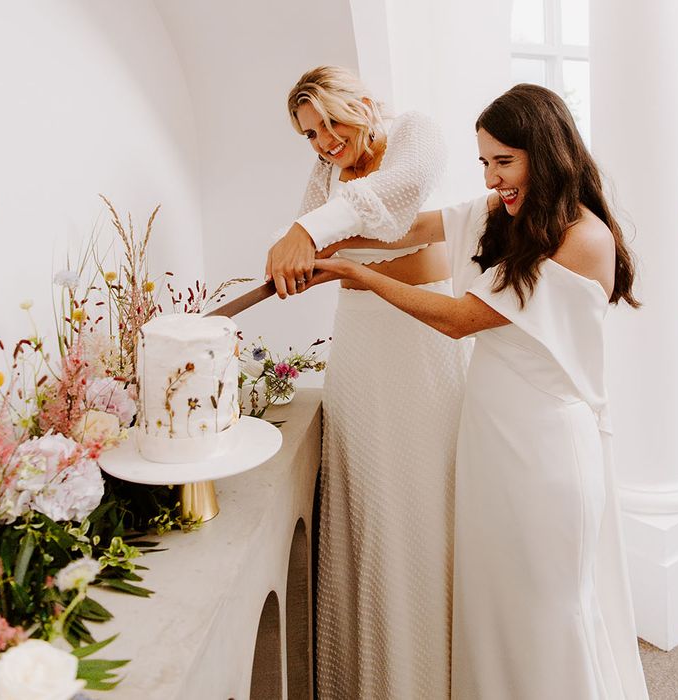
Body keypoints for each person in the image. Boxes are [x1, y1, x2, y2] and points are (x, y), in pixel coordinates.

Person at [314, 83, 650, 699]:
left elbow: (460, 318)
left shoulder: (585, 239)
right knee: (494, 611)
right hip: (491, 443)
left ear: (546, 153)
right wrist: (321, 240)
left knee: (547, 614)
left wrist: (355, 273)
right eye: (485, 163)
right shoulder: (511, 215)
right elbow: (419, 227)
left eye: (505, 161)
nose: (493, 179)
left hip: (546, 454)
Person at [266, 66, 470, 699]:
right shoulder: (329, 172)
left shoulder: (415, 132)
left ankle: (440, 665)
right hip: (360, 340)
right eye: (310, 133)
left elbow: (396, 201)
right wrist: (308, 237)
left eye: (333, 120)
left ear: (366, 104)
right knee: (371, 492)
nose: (325, 140)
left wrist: (311, 231)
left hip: (422, 333)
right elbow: (320, 234)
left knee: (427, 488)